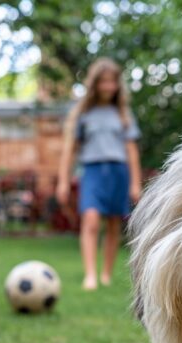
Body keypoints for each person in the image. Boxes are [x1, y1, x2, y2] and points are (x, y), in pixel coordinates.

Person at [56, 58, 142, 291]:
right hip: (92, 171)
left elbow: (131, 151)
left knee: (114, 224)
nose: (108, 87)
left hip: (119, 171)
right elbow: (69, 151)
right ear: (95, 84)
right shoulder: (83, 115)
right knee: (91, 220)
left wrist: (135, 183)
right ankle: (90, 275)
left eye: (112, 82)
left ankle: (106, 274)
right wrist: (63, 182)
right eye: (103, 82)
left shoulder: (123, 115)